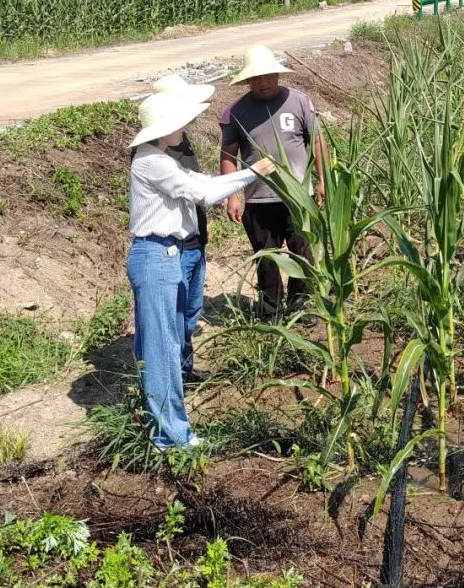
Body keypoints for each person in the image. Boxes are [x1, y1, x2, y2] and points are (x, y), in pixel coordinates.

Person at [127, 90, 275, 451]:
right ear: (166, 127)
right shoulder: (151, 161)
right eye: (181, 121)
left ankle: (163, 425)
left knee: (166, 343)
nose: (187, 125)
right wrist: (252, 173)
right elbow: (204, 193)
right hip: (156, 255)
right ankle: (171, 437)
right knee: (163, 349)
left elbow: (206, 184)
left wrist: (246, 174)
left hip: (166, 255)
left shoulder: (160, 157)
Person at [219, 44, 327, 319]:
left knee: (302, 252)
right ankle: (271, 314)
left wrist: (323, 180)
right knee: (267, 258)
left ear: (278, 76)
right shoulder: (235, 112)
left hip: (298, 197)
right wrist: (232, 194)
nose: (263, 83)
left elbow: (317, 141)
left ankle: (300, 307)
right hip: (259, 198)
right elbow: (228, 155)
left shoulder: (299, 101)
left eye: (267, 76)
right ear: (246, 81)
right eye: (255, 78)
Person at [150, 74, 215, 384]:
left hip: (194, 240)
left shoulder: (179, 140)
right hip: (175, 246)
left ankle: (185, 369)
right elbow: (197, 191)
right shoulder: (154, 152)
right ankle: (173, 375)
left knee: (190, 313)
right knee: (176, 318)